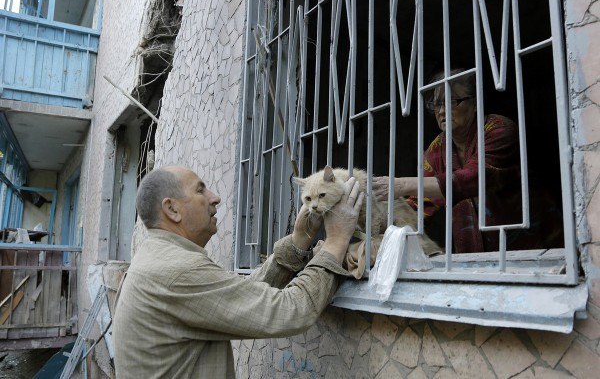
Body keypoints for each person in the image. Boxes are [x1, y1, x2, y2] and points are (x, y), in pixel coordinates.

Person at [113, 165, 363, 378]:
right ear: (172, 210)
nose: (215, 197)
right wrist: (336, 242)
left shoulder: (160, 258)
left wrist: (299, 241)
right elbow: (290, 311)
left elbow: (243, 296)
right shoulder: (177, 272)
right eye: (200, 189)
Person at [373, 70, 563, 253]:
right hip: (475, 252)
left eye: (452, 101)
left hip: (533, 243)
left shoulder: (499, 129)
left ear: (475, 102)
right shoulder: (437, 148)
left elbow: (474, 178)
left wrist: (402, 184)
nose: (441, 111)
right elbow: (422, 204)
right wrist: (376, 219)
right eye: (436, 104)